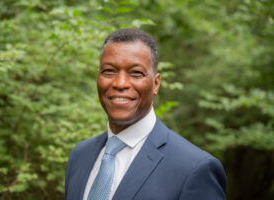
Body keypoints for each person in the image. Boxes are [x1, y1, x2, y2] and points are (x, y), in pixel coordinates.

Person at [65, 28, 227, 200]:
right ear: (98, 77)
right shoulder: (80, 155)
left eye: (136, 73)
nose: (120, 83)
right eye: (109, 71)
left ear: (156, 84)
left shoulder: (194, 169)